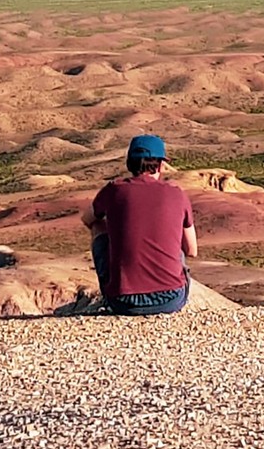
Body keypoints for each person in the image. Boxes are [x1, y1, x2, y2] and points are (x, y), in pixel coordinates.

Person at [82, 133, 198, 315]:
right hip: (172, 299)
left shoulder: (114, 190)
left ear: (129, 164)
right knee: (175, 238)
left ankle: (115, 283)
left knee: (99, 226)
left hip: (122, 302)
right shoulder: (177, 193)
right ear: (161, 165)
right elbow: (192, 250)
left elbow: (88, 219)